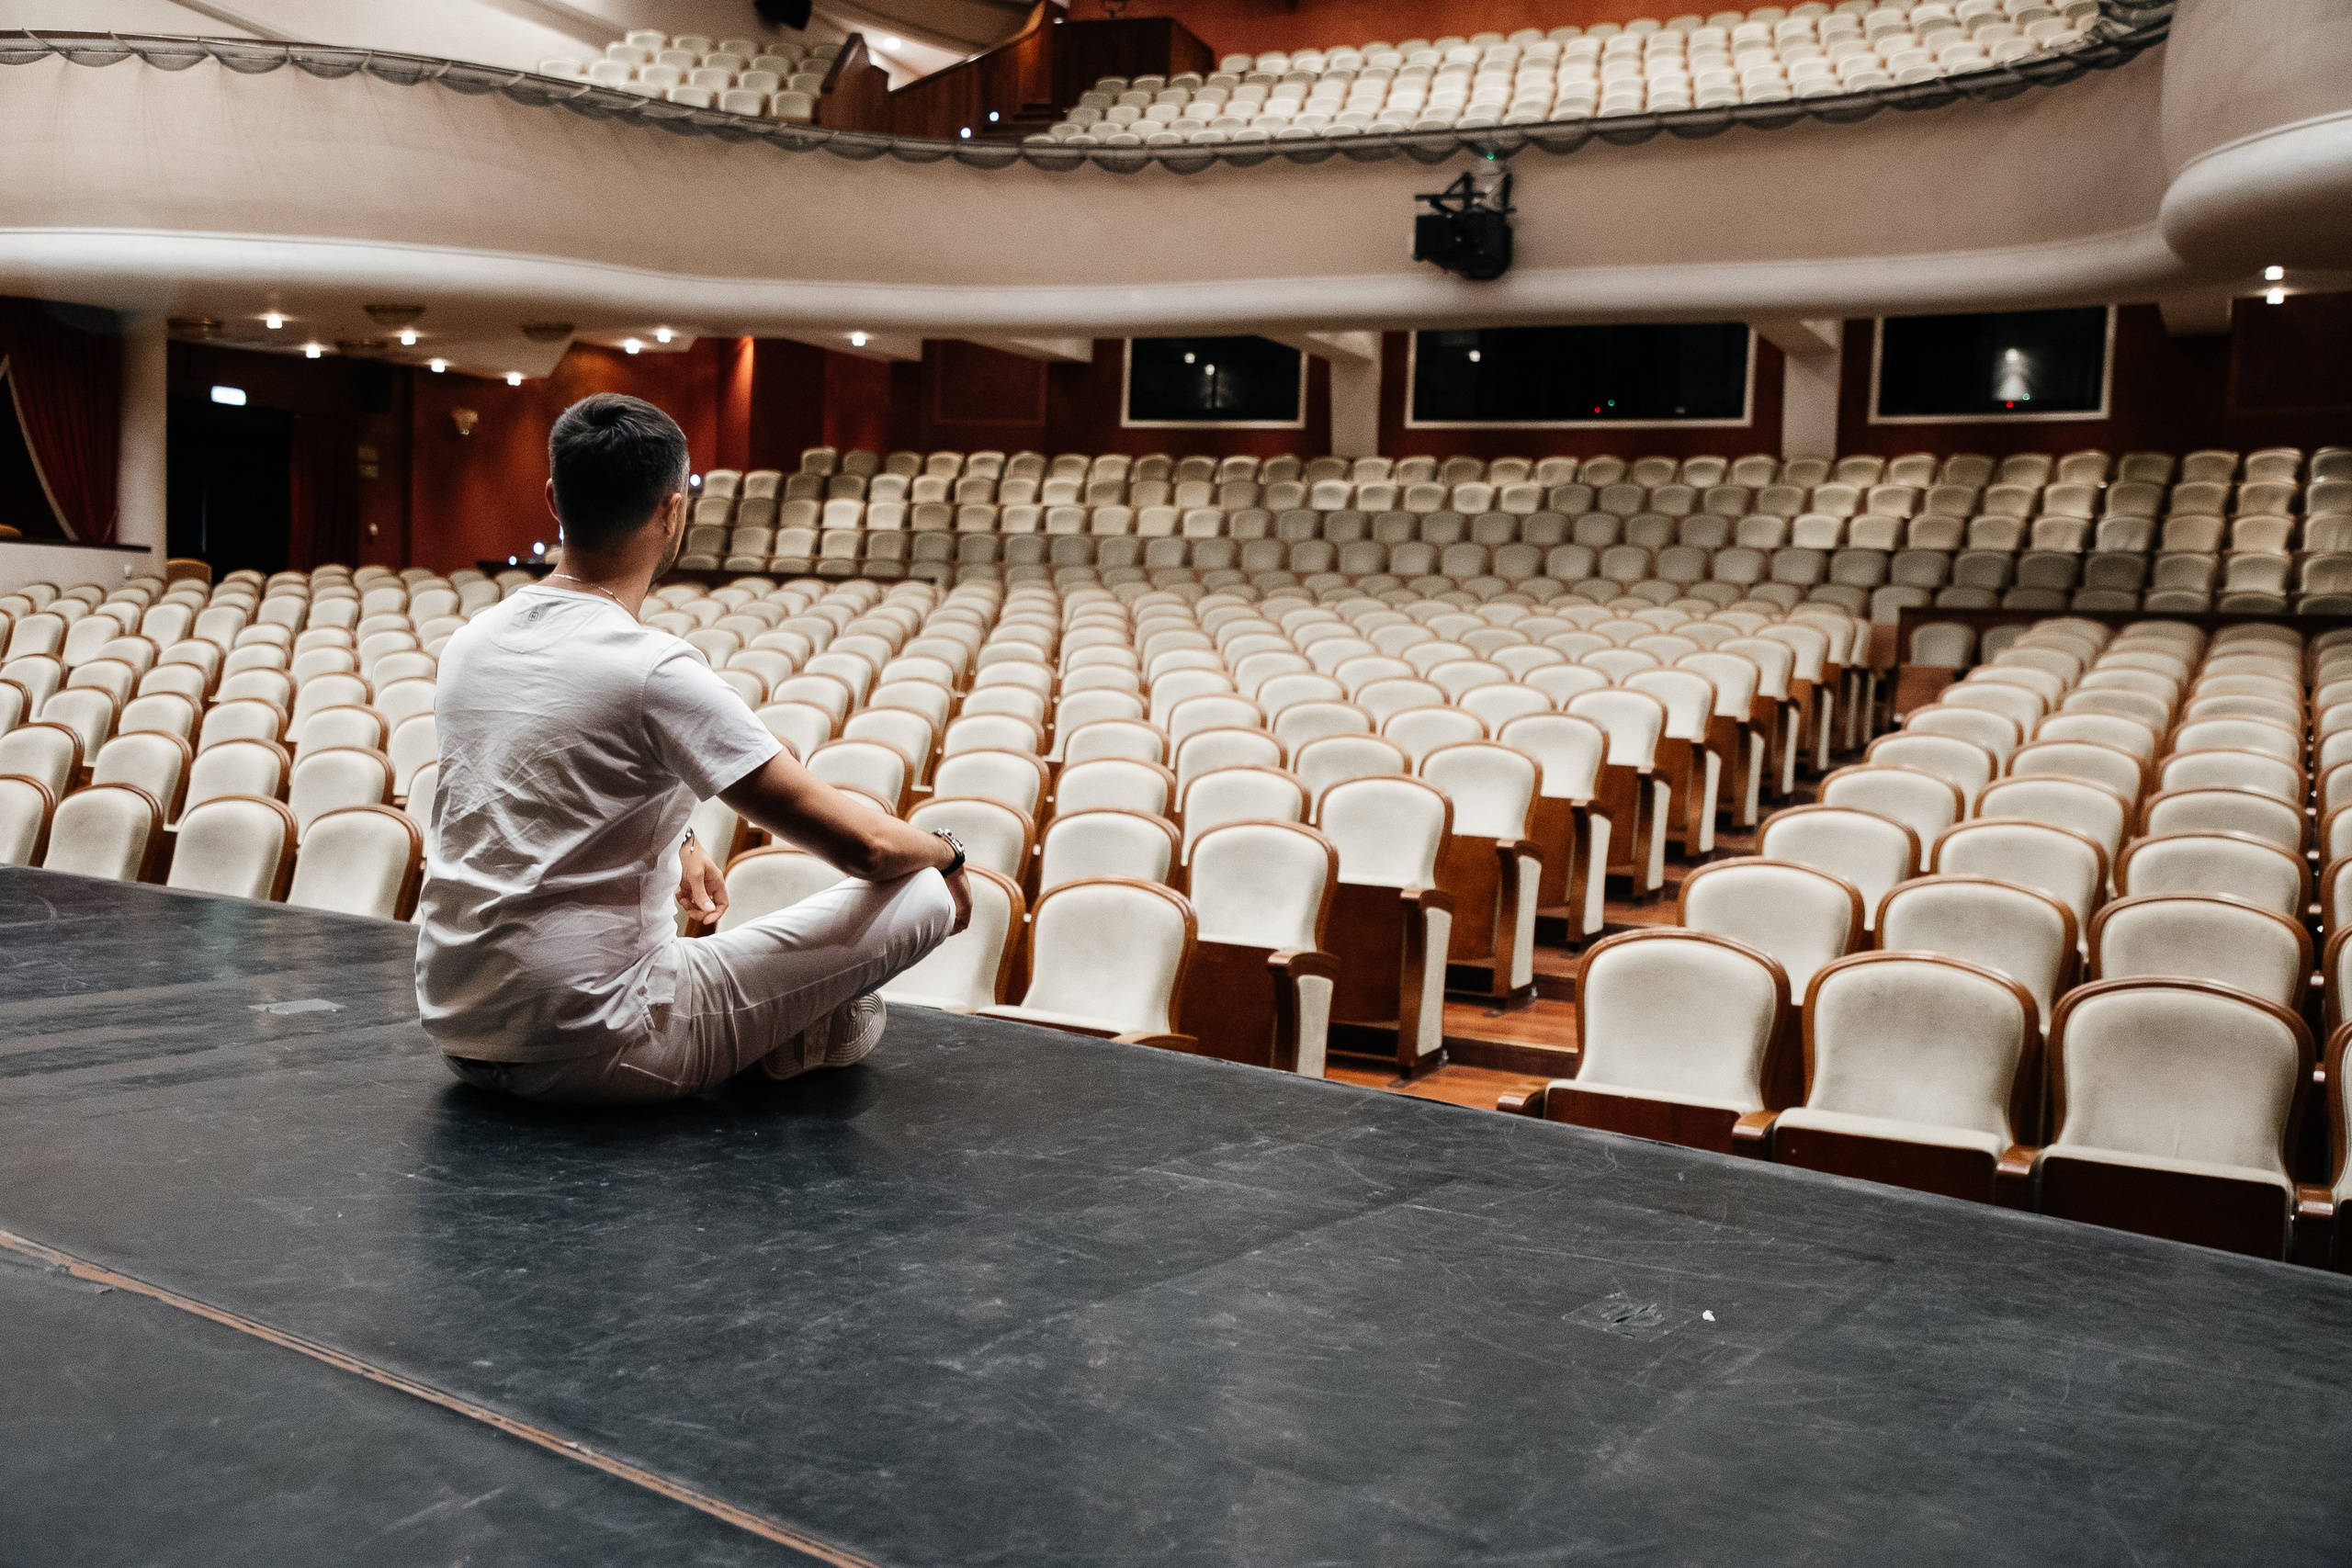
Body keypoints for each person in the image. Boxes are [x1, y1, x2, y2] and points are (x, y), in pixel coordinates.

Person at [414, 392, 968, 1106]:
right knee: (924, 891)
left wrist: (679, 843)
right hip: (601, 1044)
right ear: (673, 510)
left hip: (459, 1028)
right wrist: (950, 852)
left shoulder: (470, 643)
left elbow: (539, 782)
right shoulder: (652, 668)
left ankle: (789, 1027)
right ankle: (794, 1031)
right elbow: (864, 848)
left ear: (554, 499)